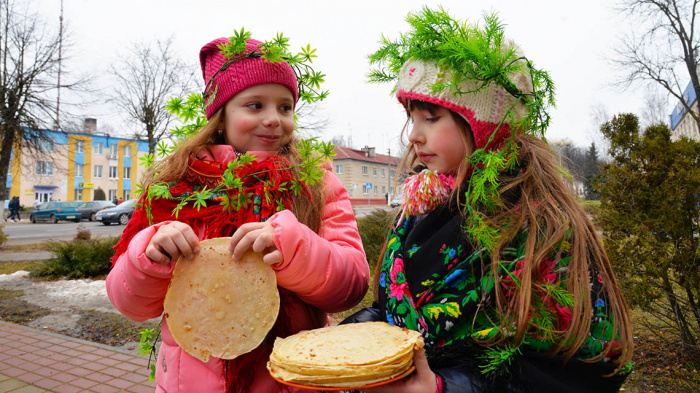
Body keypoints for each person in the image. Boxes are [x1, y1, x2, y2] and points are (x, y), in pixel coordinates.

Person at [343, 8, 633, 393]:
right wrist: (349, 336)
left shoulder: (537, 224)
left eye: (431, 118)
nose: (413, 135)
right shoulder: (420, 206)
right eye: (413, 119)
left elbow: (574, 368)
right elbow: (399, 310)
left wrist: (444, 388)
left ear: (483, 126)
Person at [106, 34, 369, 392]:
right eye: (255, 105)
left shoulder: (315, 184)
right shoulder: (179, 187)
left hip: (291, 380)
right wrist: (148, 256)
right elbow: (131, 304)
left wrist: (293, 249)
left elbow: (350, 286)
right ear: (221, 115)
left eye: (285, 107)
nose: (274, 119)